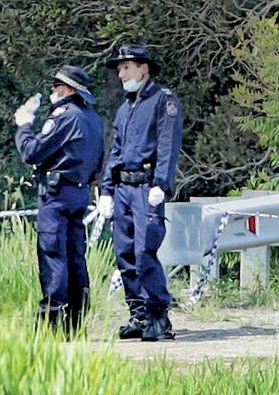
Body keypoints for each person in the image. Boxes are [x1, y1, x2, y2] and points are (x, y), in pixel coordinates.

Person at [98, 44, 183, 341]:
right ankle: (139, 314)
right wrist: (106, 190)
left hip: (147, 188)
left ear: (143, 68)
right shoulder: (125, 108)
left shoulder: (163, 101)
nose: (121, 74)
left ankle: (159, 317)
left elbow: (167, 145)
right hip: (123, 188)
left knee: (144, 252)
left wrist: (161, 183)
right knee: (124, 253)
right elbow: (116, 151)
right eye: (120, 69)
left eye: (126, 67)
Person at [14, 65, 105, 334]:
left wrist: (24, 126)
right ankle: (76, 322)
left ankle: (51, 321)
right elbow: (98, 161)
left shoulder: (64, 116)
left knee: (53, 253)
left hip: (56, 195)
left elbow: (32, 152)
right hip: (79, 192)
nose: (52, 91)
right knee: (76, 255)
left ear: (67, 89)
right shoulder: (93, 119)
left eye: (55, 86)